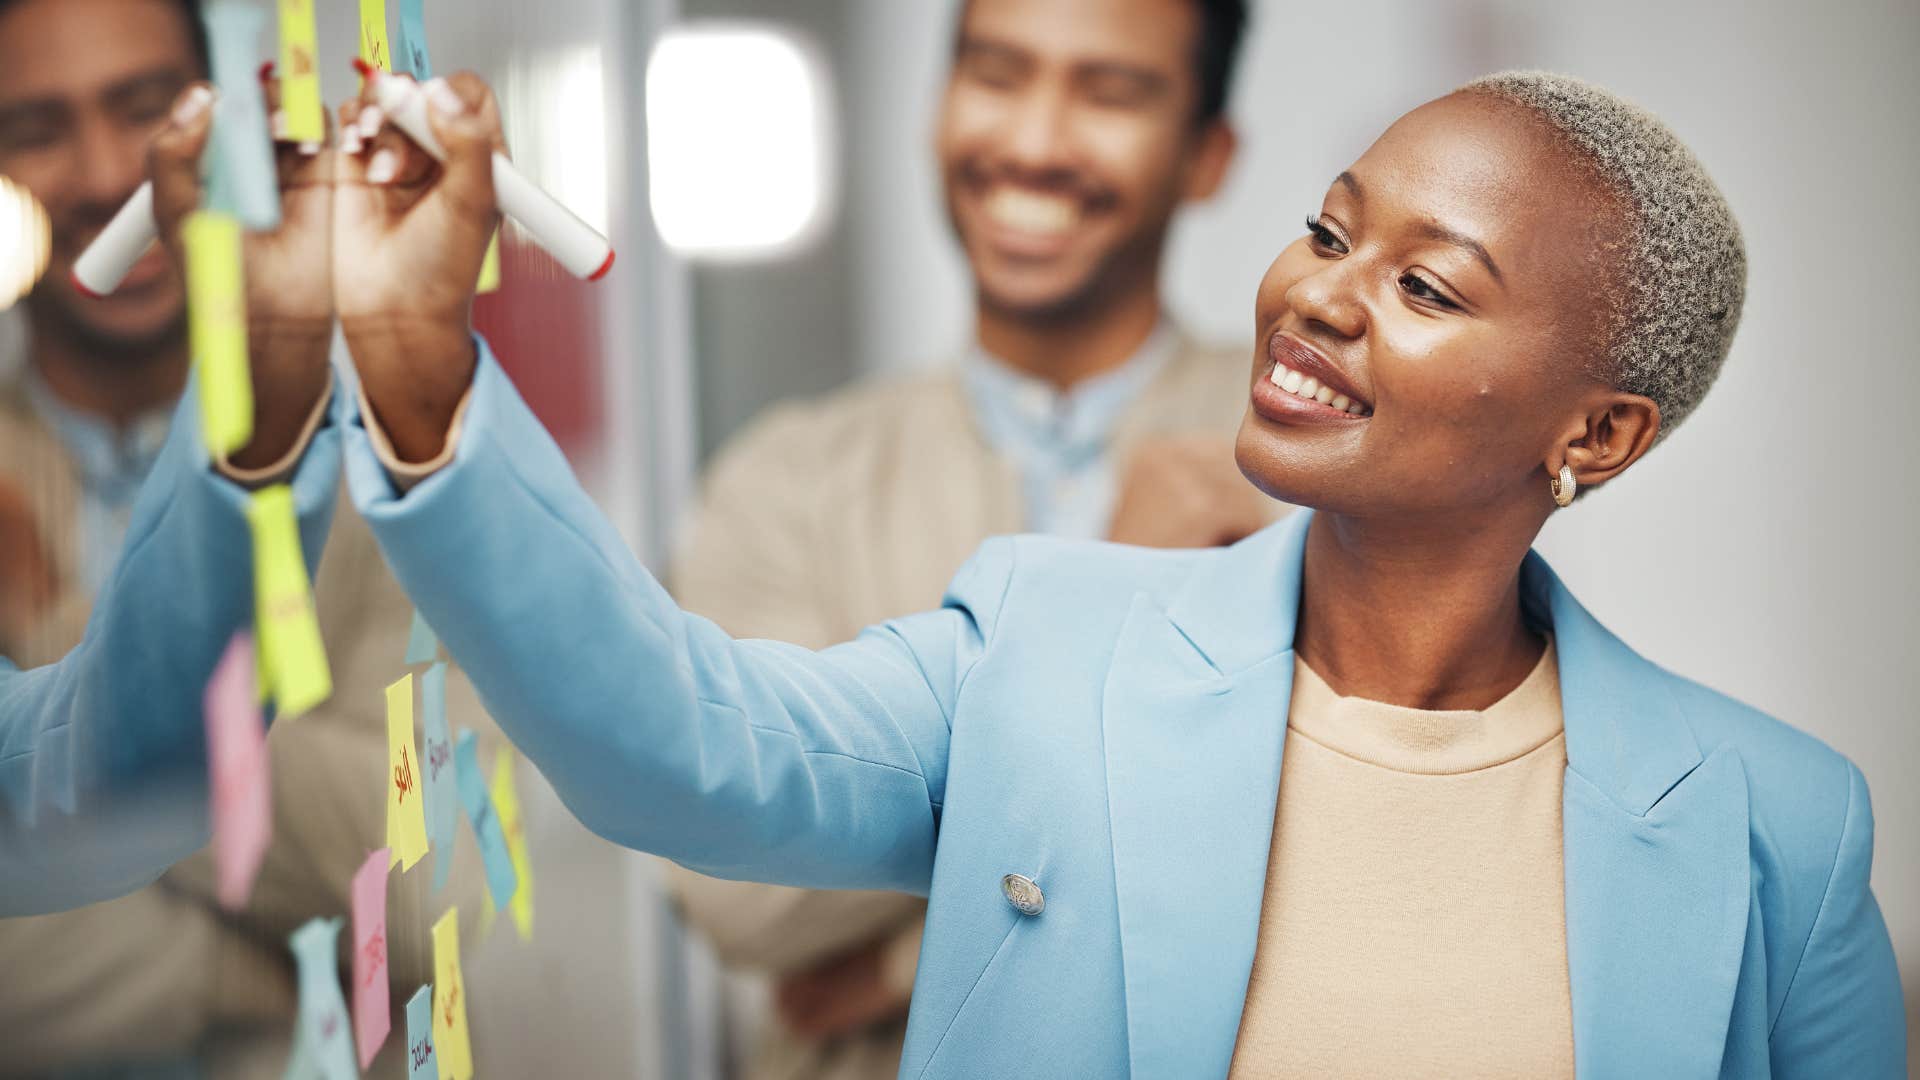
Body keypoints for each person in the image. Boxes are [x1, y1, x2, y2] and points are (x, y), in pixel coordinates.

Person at [336, 66, 1905, 1076]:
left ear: (1602, 432)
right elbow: (673, 751)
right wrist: (421, 377)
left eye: (1424, 285)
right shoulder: (1041, 638)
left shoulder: (1781, 823)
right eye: (1327, 230)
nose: (1318, 295)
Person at [667, 1, 1267, 1071]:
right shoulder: (786, 481)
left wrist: (900, 961)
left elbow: (1334, 862)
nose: (1033, 144)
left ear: (1208, 157)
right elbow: (739, 889)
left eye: (1109, 92)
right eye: (996, 74)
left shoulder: (1308, 468)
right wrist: (1110, 592)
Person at [0, 1, 505, 1073]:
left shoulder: (386, 454)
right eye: (35, 127)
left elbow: (441, 883)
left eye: (144, 109)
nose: (100, 175)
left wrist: (51, 627)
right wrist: (267, 981)